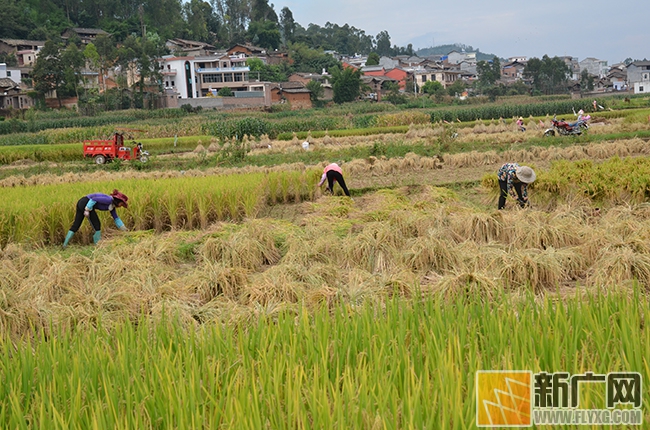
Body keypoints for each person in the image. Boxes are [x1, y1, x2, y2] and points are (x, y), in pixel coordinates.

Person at [63, 189, 129, 247]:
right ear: (118, 201)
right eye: (122, 204)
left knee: (76, 225)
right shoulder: (108, 200)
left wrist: (124, 229)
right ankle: (97, 245)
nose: (121, 206)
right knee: (97, 225)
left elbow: (116, 218)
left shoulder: (112, 207)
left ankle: (64, 245)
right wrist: (87, 209)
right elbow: (94, 199)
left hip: (82, 202)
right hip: (86, 203)